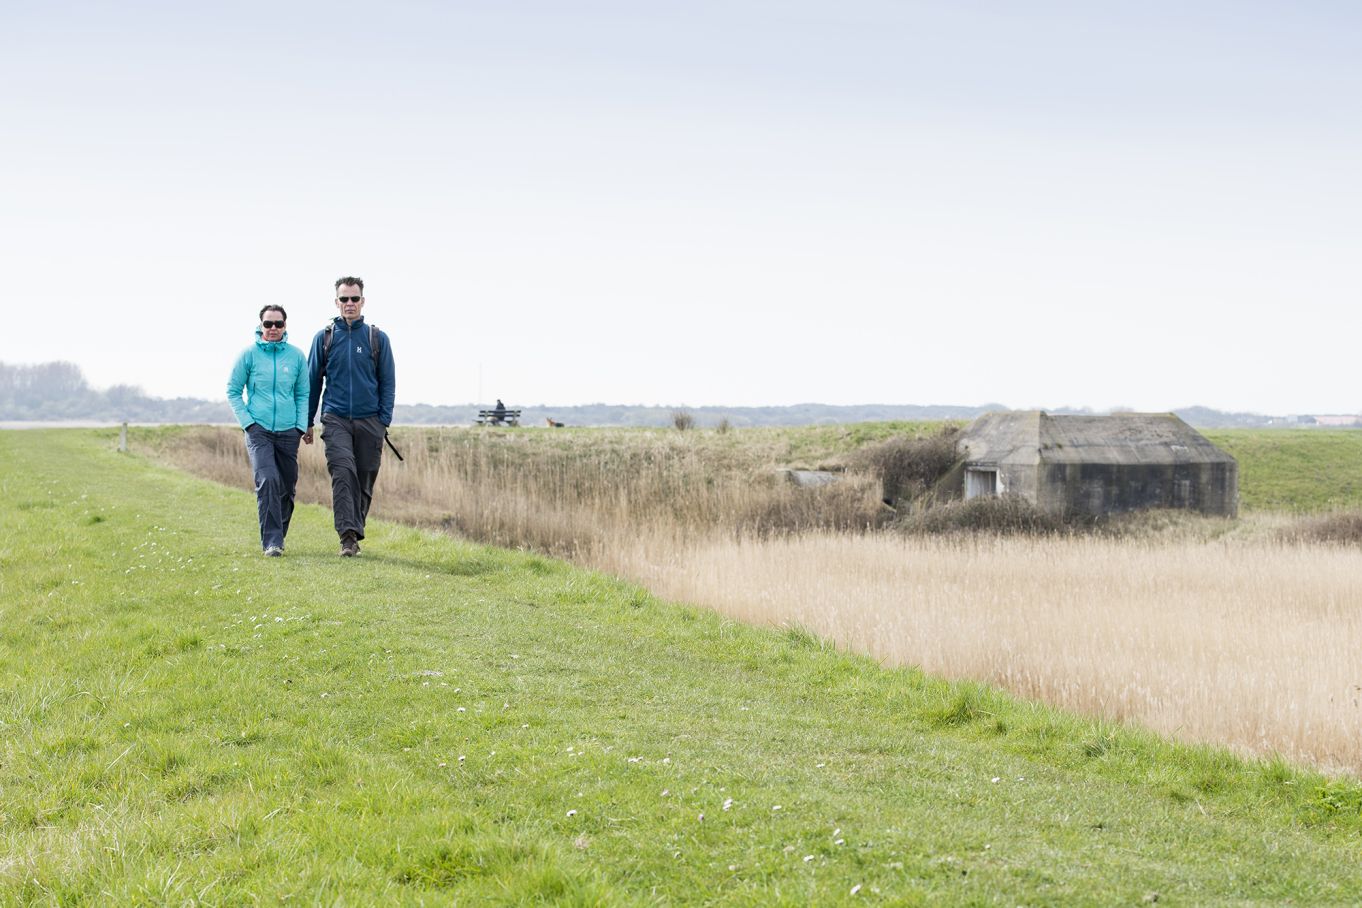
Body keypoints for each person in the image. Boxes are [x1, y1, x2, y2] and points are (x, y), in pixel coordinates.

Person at [304, 276, 396, 557]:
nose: (349, 304)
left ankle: (354, 529)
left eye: (354, 298)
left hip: (371, 421)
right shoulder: (325, 338)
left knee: (365, 476)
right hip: (335, 418)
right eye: (344, 299)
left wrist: (383, 421)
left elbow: (388, 382)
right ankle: (347, 538)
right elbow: (312, 382)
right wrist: (307, 421)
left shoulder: (377, 338)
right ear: (337, 302)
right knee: (343, 472)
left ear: (362, 301)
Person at [226, 306, 309, 556]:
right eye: (268, 324)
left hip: (288, 432)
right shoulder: (248, 355)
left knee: (287, 486)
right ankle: (272, 542)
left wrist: (300, 426)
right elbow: (233, 391)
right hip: (258, 430)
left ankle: (277, 534)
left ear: (285, 326)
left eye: (278, 324)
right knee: (268, 480)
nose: (273, 329)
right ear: (261, 325)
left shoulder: (296, 356)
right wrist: (248, 423)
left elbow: (303, 393)